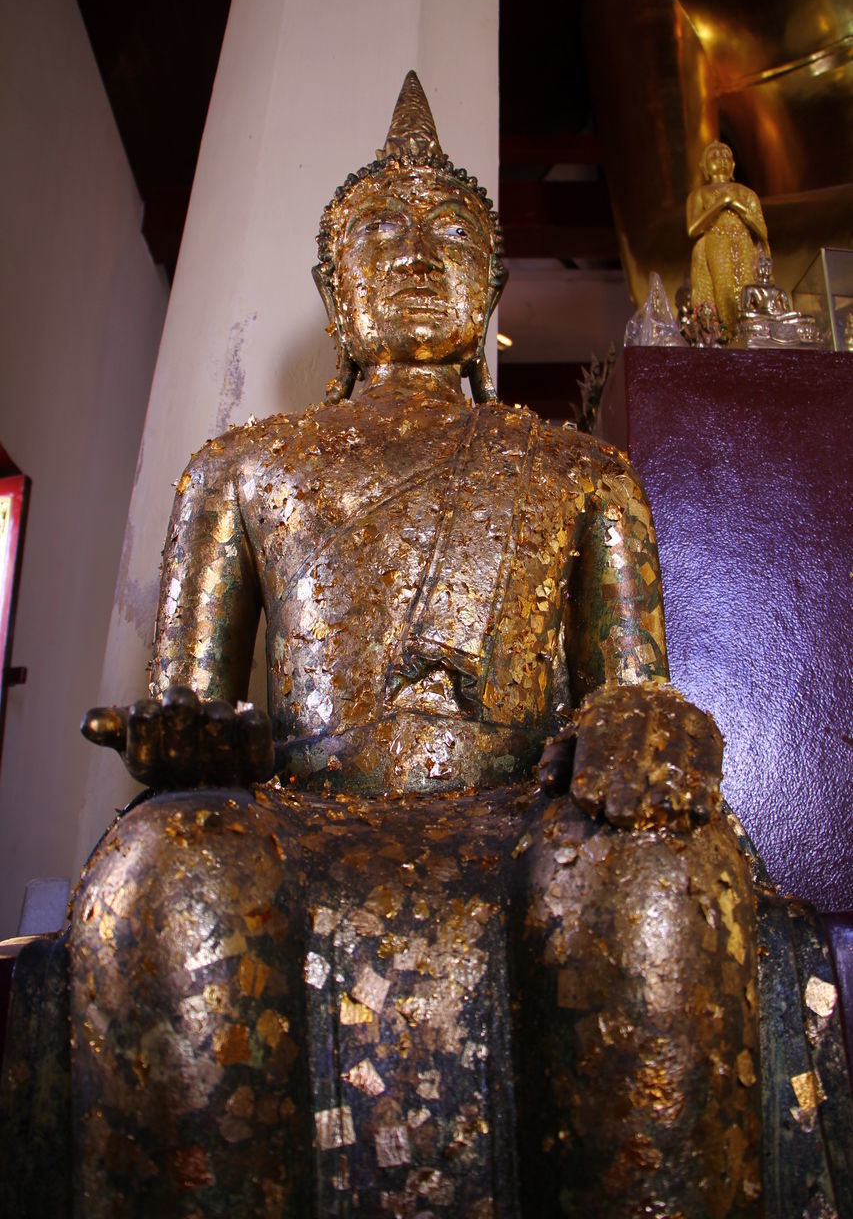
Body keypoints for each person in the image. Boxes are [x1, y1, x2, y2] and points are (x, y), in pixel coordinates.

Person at [43, 75, 768, 1217]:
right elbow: (191, 693)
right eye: (382, 235)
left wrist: (645, 726)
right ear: (337, 290)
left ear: (487, 289)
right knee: (163, 866)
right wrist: (185, 733)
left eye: (450, 235)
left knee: (658, 868)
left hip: (518, 805)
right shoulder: (244, 465)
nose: (418, 254)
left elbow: (631, 686)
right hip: (301, 805)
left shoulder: (579, 470)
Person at [687, 141, 769, 340]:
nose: (721, 158)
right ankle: (725, 336)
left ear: (733, 165)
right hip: (716, 242)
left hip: (744, 242)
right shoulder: (699, 194)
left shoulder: (747, 193)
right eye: (714, 156)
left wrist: (736, 204)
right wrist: (720, 204)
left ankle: (751, 335)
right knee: (722, 291)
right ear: (705, 167)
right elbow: (692, 228)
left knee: (748, 291)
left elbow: (762, 229)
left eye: (725, 155)